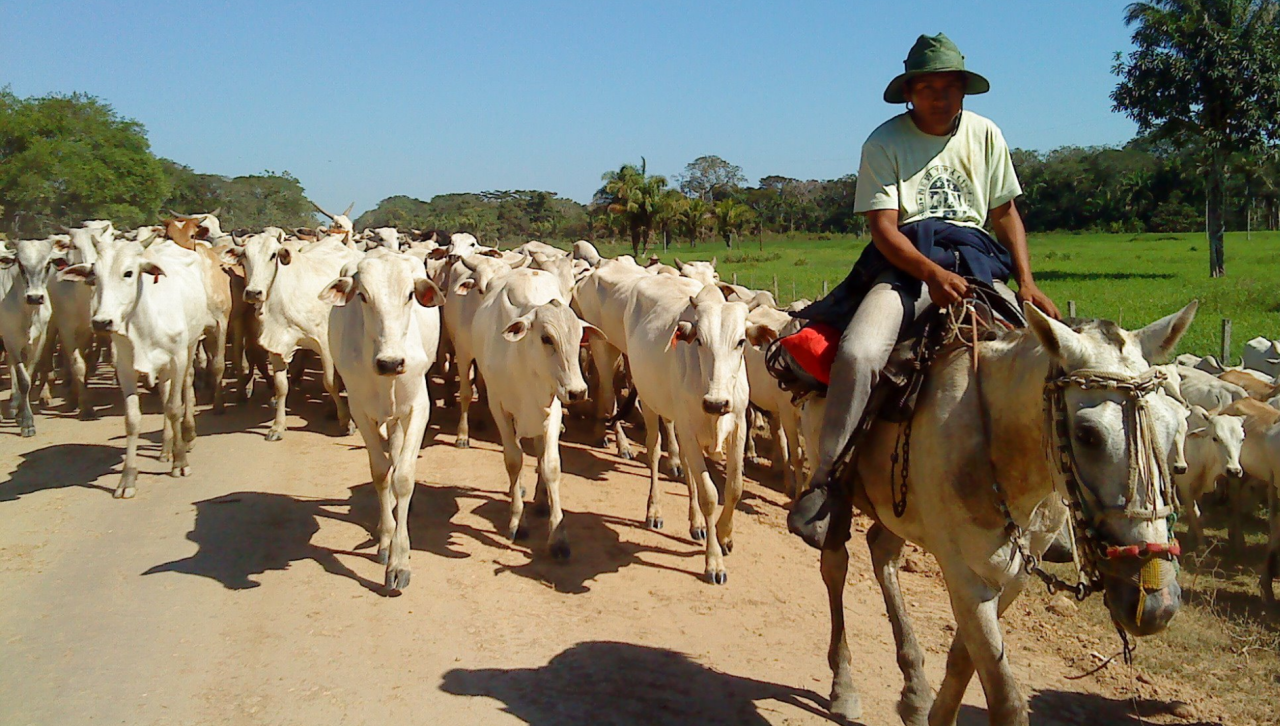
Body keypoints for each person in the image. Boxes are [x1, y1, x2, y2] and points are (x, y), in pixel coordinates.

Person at [788, 33, 1060, 549]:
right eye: (929, 87)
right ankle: (829, 483)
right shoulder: (884, 142)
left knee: (1049, 360)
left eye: (950, 87)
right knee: (860, 351)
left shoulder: (986, 136)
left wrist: (1025, 282)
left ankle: (1051, 503)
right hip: (907, 266)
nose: (940, 97)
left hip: (978, 264)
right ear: (910, 92)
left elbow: (1005, 214)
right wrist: (931, 275)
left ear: (964, 91)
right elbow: (884, 228)